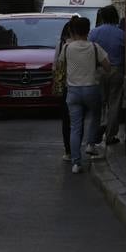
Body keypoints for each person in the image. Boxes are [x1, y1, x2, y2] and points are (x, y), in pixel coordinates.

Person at [64, 16, 111, 173]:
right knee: (95, 115)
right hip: (91, 88)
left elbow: (59, 64)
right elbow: (107, 66)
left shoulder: (66, 48)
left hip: (73, 91)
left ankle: (76, 163)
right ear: (88, 30)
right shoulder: (94, 47)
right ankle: (91, 144)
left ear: (73, 30)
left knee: (75, 127)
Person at [89, 5, 125, 145]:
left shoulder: (94, 33)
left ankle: (99, 127)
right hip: (116, 70)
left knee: (99, 104)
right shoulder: (121, 34)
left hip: (98, 71)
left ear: (102, 17)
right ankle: (110, 135)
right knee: (114, 103)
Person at [53, 20, 74, 161]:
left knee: (67, 121)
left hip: (67, 87)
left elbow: (56, 67)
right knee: (79, 122)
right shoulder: (88, 44)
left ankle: (69, 151)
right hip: (84, 86)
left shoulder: (61, 45)